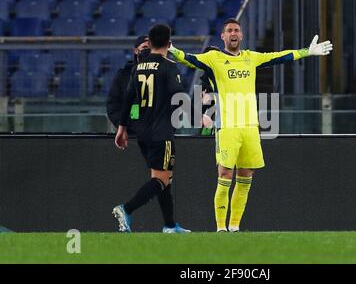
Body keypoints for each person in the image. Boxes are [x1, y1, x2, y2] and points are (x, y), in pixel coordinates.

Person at [169, 18, 333, 232]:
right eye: (229, 30)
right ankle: (220, 228)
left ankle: (234, 226)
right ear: (223, 36)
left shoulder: (251, 58)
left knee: (246, 175)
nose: (233, 33)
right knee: (225, 174)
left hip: (250, 126)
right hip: (227, 126)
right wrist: (172, 50)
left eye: (236, 30)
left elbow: (278, 56)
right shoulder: (214, 58)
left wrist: (306, 52)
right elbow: (190, 59)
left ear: (242, 35)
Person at [112, 25, 190, 233]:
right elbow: (179, 96)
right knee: (161, 180)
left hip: (142, 132)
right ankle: (126, 209)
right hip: (161, 131)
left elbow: (128, 98)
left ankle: (170, 225)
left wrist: (122, 128)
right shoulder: (168, 66)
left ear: (151, 43)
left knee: (164, 177)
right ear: (168, 43)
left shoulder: (138, 68)